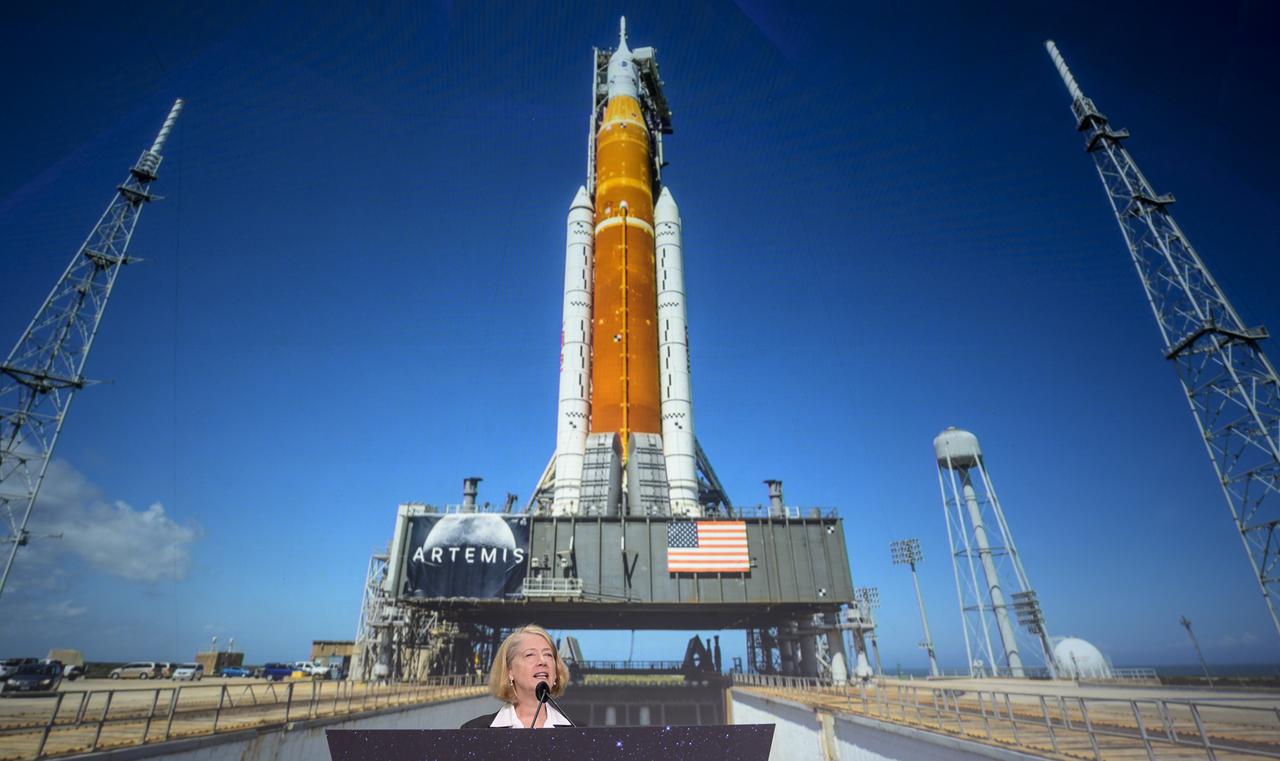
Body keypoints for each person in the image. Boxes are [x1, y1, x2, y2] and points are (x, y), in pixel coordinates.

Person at [462, 624, 575, 728]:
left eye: (548, 655)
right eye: (530, 654)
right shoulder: (475, 730)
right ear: (509, 671)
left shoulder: (578, 733)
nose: (542, 661)